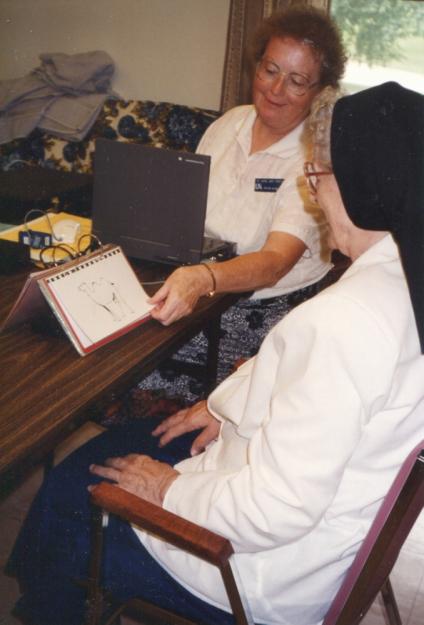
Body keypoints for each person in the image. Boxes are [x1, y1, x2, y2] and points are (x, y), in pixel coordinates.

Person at [7, 81, 424, 625]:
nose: (314, 192)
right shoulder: (403, 279)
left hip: (244, 573)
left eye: (318, 175)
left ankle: (45, 606)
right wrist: (223, 407)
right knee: (121, 449)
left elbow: (279, 509)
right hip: (303, 543)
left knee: (68, 490)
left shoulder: (343, 322)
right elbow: (312, 388)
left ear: (364, 188)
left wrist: (167, 488)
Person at [133, 5, 347, 401]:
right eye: (270, 70)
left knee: (132, 372)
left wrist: (204, 278)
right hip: (196, 286)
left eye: (297, 81)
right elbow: (186, 213)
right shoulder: (229, 123)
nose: (275, 89)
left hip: (256, 310)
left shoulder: (313, 157)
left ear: (319, 91)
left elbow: (273, 264)